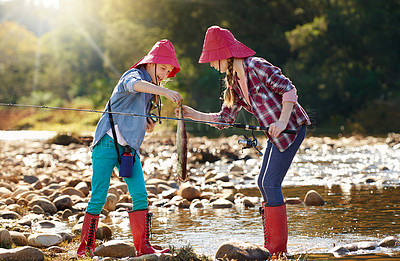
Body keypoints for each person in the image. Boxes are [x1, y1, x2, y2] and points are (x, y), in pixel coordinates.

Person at [180, 26, 311, 256]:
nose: (211, 64)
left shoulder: (256, 66)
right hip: (275, 134)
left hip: (291, 129)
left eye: (212, 59)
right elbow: (225, 118)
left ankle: (278, 250)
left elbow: (289, 90)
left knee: (271, 183)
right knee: (263, 183)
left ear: (225, 55)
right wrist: (193, 114)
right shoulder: (233, 82)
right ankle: (272, 245)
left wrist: (281, 122)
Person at [77, 39, 183, 257]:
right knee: (98, 196)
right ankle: (85, 248)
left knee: (141, 195)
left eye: (169, 71)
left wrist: (149, 124)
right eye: (162, 68)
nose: (164, 74)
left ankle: (143, 247)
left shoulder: (152, 90)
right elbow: (132, 86)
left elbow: (143, 121)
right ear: (150, 63)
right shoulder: (132, 75)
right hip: (106, 144)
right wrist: (164, 92)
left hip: (129, 150)